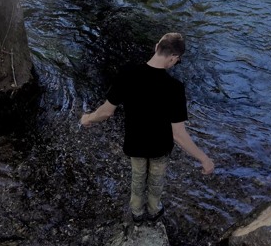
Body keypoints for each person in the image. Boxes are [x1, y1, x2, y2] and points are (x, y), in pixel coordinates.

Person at [80, 32, 214, 223]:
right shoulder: (175, 87)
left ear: (157, 46)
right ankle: (154, 210)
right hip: (160, 148)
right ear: (174, 57)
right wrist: (204, 158)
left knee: (137, 179)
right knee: (156, 182)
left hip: (135, 145)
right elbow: (178, 134)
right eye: (177, 61)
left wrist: (88, 118)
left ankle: (136, 212)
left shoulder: (127, 74)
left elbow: (106, 112)